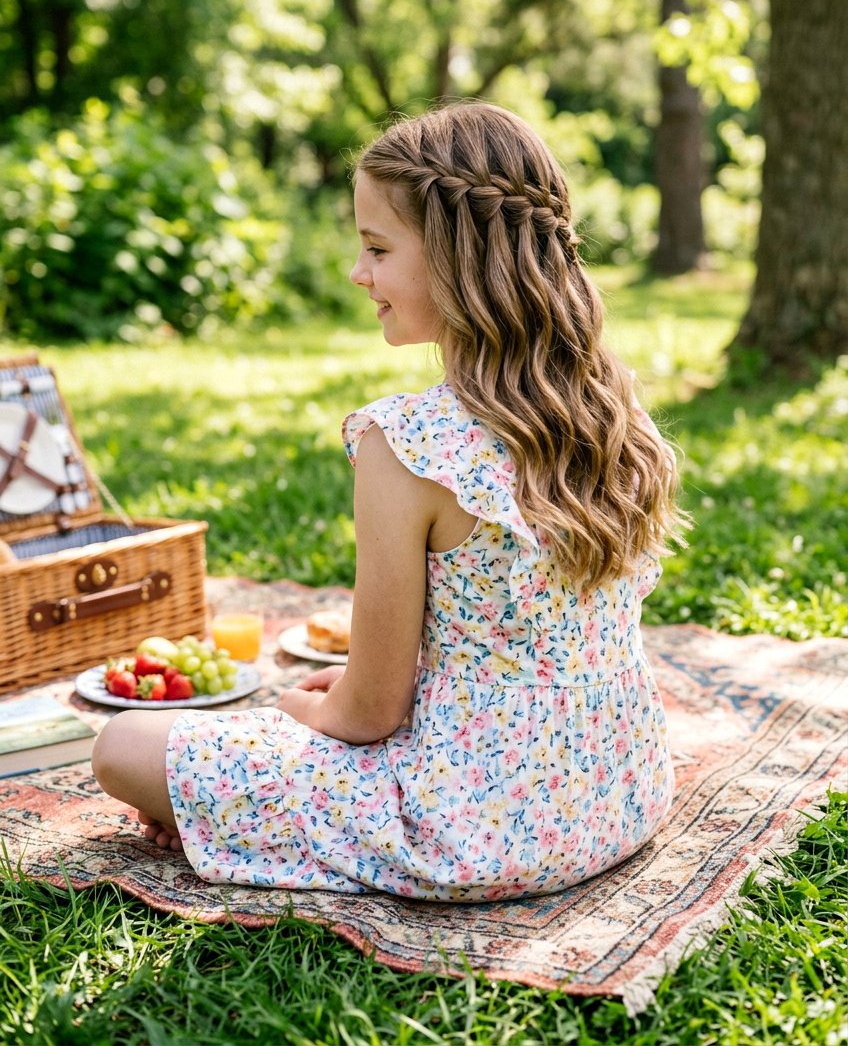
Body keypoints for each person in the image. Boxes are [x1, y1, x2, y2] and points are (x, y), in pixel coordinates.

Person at [93, 101, 685, 900]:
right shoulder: (615, 413)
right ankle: (232, 809)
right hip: (621, 793)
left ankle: (230, 815)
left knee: (124, 745)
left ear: (458, 261)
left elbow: (370, 712)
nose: (357, 272)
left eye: (376, 248)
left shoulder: (406, 443)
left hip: (466, 827)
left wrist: (302, 714)